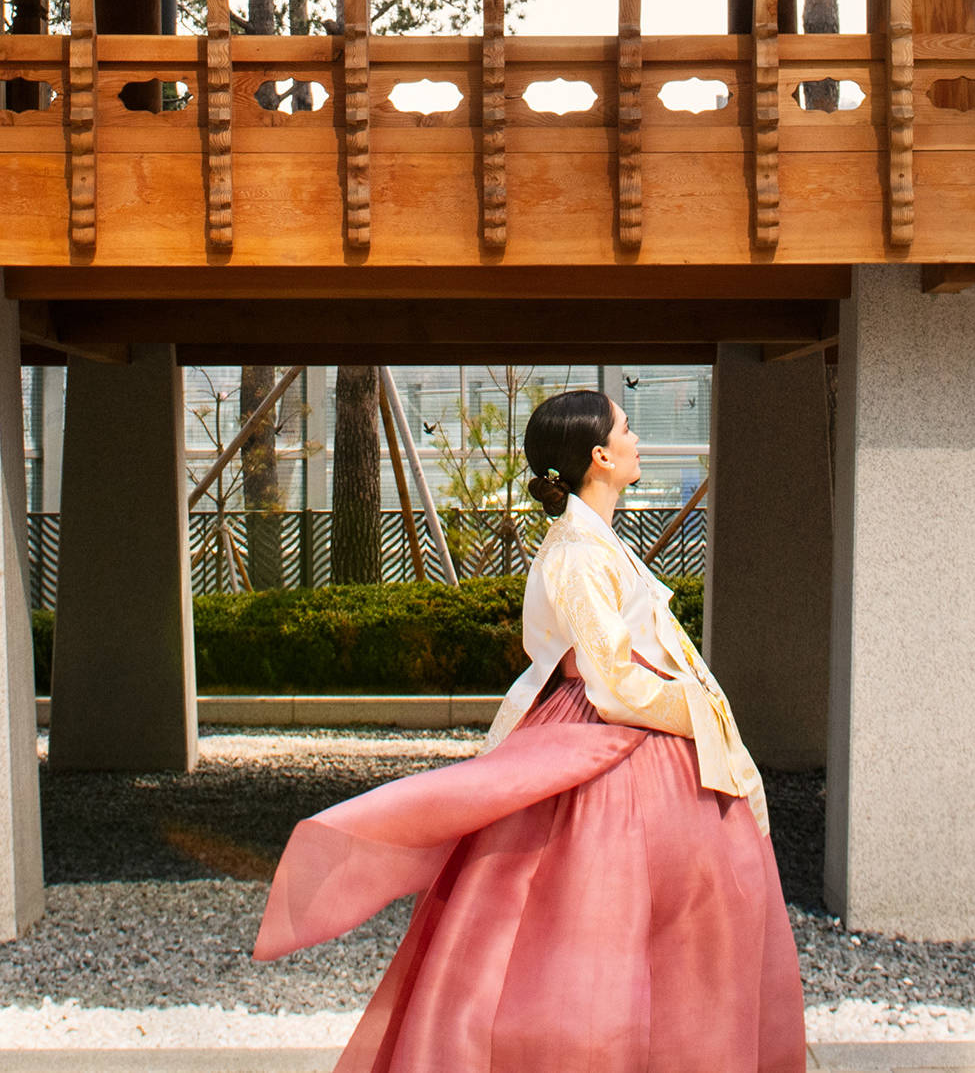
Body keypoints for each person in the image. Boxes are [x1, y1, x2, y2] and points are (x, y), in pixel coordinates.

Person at [253, 388, 804, 1073]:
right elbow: (614, 681)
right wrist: (699, 715)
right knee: (600, 923)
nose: (637, 439)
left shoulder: (591, 543)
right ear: (600, 456)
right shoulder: (577, 551)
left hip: (619, 734)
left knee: (664, 924)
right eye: (628, 429)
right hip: (615, 738)